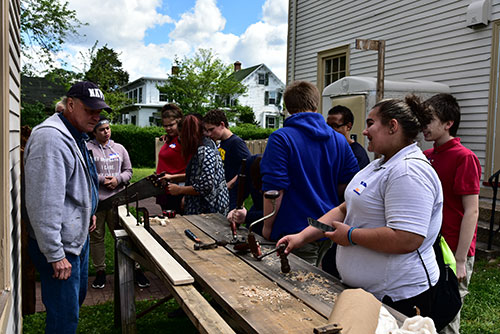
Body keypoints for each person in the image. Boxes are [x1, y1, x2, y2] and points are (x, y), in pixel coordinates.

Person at [278, 95, 443, 319]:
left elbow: (408, 238)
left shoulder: (408, 172)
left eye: (370, 123)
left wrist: (352, 236)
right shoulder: (379, 164)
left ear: (392, 126)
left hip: (397, 298)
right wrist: (302, 236)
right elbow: (346, 208)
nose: (364, 131)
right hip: (366, 293)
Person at [24, 81, 107, 333]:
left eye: (99, 111)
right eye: (90, 109)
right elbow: (43, 202)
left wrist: (87, 213)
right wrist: (55, 253)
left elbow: (73, 187)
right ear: (70, 105)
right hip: (60, 247)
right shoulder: (51, 139)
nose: (96, 117)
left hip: (75, 238)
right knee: (63, 319)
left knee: (71, 308)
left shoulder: (75, 134)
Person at [260, 81, 359, 266]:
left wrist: (267, 227)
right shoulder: (339, 140)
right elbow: (349, 186)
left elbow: (274, 190)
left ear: (288, 107)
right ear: (316, 105)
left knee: (294, 290)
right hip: (325, 229)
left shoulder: (281, 138)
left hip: (294, 232)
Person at [423, 93, 481, 334]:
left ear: (448, 123)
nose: (423, 126)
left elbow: (472, 210)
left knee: (447, 314)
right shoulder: (425, 157)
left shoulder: (464, 158)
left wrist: (459, 260)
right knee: (427, 311)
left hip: (453, 249)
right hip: (427, 246)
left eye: (430, 119)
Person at [87, 117, 150, 288]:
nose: (106, 132)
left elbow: (128, 171)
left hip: (118, 199)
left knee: (124, 235)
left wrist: (118, 179)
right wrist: (102, 179)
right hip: (97, 201)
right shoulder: (88, 148)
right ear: (94, 132)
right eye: (101, 129)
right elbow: (86, 171)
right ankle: (100, 271)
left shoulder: (119, 148)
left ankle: (135, 269)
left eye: (108, 128)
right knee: (97, 237)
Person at [167, 115, 229, 215]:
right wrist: (173, 178)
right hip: (204, 210)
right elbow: (197, 177)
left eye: (181, 137)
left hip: (210, 212)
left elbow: (205, 186)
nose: (180, 141)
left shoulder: (205, 150)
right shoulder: (201, 147)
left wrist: (180, 190)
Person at [203, 109, 251, 209]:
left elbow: (248, 165)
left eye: (212, 129)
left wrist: (231, 183)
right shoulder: (221, 143)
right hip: (222, 193)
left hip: (232, 195)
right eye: (207, 131)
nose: (209, 134)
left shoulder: (236, 143)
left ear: (222, 124)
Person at [156, 103, 186, 213]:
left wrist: (172, 177)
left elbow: (192, 172)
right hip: (164, 192)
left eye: (171, 125)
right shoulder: (169, 139)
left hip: (177, 191)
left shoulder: (184, 141)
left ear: (179, 122)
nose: (168, 128)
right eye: (165, 126)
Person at [226, 154, 264, 235]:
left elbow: (282, 213)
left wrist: (248, 217)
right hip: (255, 223)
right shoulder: (250, 163)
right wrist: (234, 210)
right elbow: (237, 190)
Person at [327, 105, 370, 170]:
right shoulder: (328, 149)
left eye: (335, 126)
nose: (329, 130)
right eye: (327, 126)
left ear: (348, 126)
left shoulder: (357, 154)